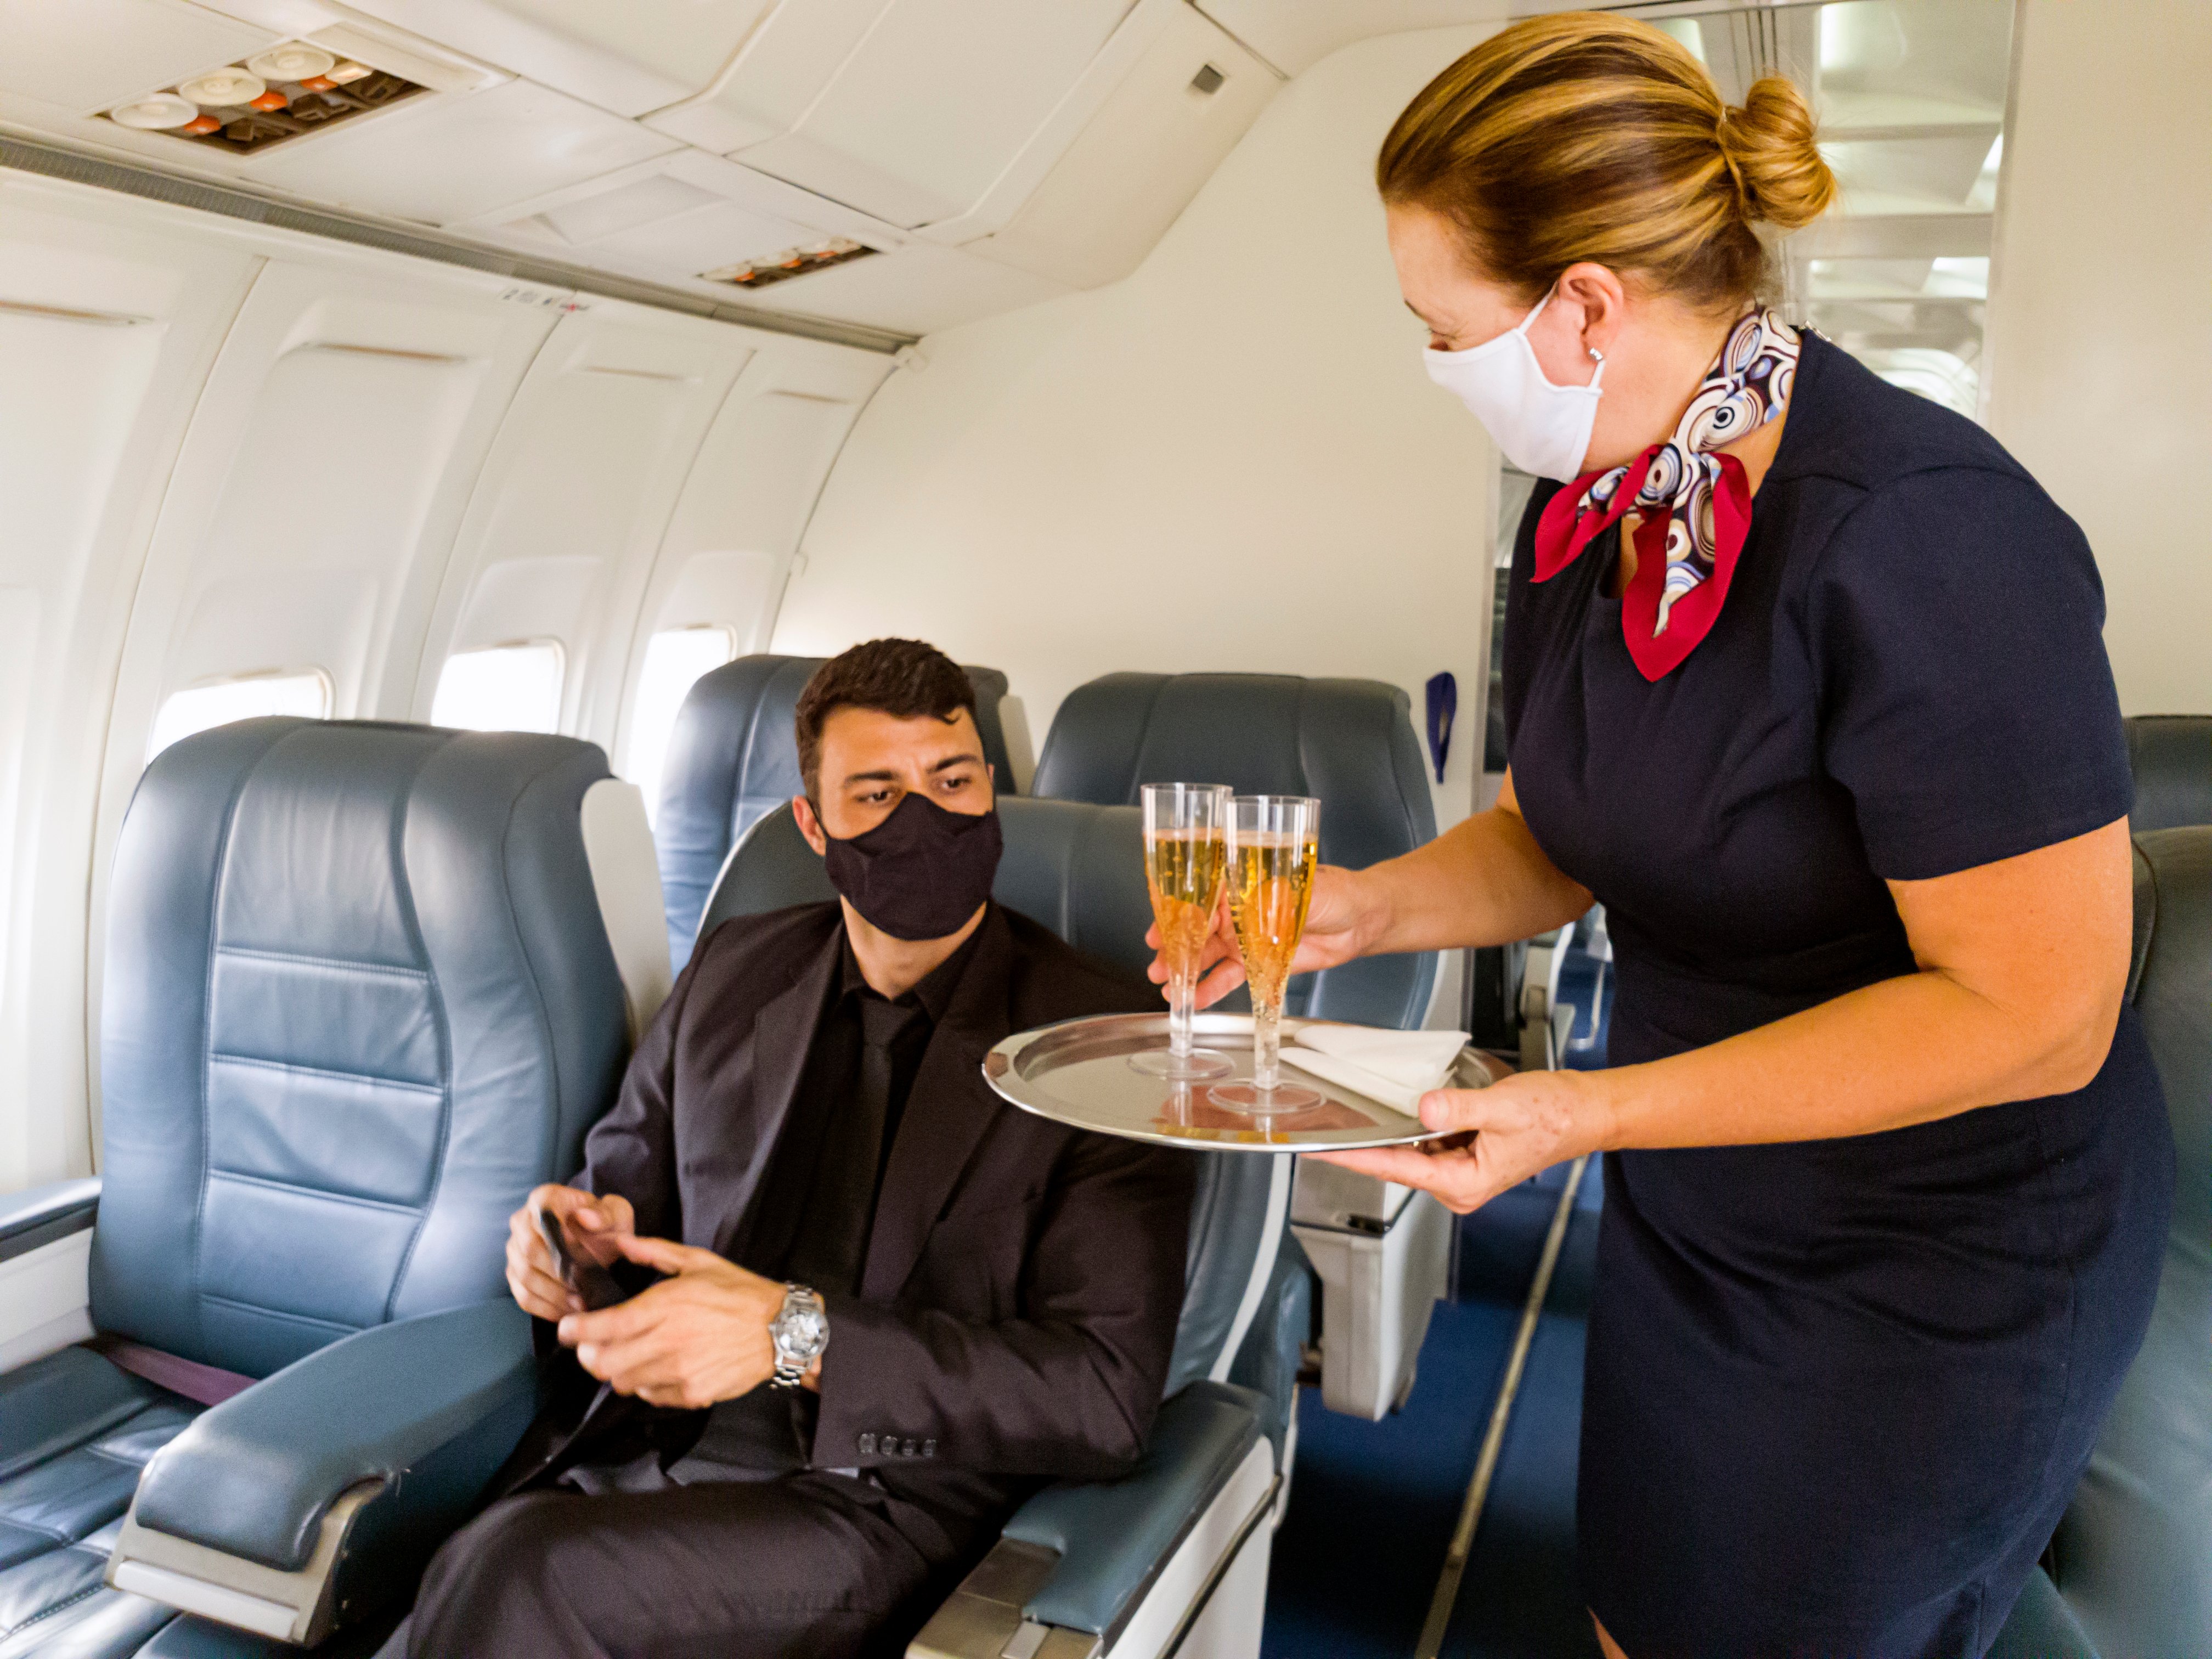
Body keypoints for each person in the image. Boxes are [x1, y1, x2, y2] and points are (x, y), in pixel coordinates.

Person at [1172, 16, 2172, 1657]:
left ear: (1584, 306)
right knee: (1644, 1607)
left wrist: (1590, 1111)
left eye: (1444, 330)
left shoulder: (1929, 538)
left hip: (1929, 1256)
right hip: (1698, 1194)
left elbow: (2038, 1015)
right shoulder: (1590, 514)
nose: (1435, 363)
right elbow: (1560, 836)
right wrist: (1361, 909)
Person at [393, 638, 1193, 1658]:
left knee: (522, 1575)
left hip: (881, 1502)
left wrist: (794, 1337)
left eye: (952, 783)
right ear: (814, 826)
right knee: (473, 1565)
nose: (925, 819)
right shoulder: (737, 970)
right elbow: (620, 1193)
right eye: (878, 794)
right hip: (658, 1447)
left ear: (992, 791)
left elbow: (1100, 1395)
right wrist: (568, 1248)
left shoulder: (1103, 1041)